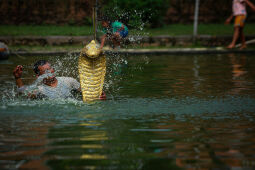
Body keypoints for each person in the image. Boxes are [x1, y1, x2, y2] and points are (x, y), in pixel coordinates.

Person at [13, 60, 106, 100]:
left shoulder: (69, 81)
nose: (50, 71)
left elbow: (86, 92)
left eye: (50, 68)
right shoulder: (40, 90)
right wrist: (18, 78)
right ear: (38, 76)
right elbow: (23, 93)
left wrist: (97, 96)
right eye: (46, 71)